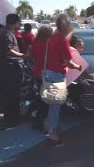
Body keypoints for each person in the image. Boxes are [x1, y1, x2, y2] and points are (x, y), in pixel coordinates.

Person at [32, 14, 82, 145]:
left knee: (51, 105)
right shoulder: (62, 40)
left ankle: (51, 128)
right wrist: (78, 66)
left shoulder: (51, 38)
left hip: (47, 73)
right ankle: (53, 133)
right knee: (56, 106)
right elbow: (67, 62)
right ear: (66, 26)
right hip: (57, 75)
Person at [0, 14, 28, 125]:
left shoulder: (10, 33)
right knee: (12, 94)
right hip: (10, 68)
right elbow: (9, 50)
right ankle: (12, 119)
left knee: (14, 94)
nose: (20, 25)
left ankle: (13, 117)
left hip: (12, 67)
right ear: (14, 22)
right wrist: (23, 56)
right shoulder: (7, 34)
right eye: (19, 22)